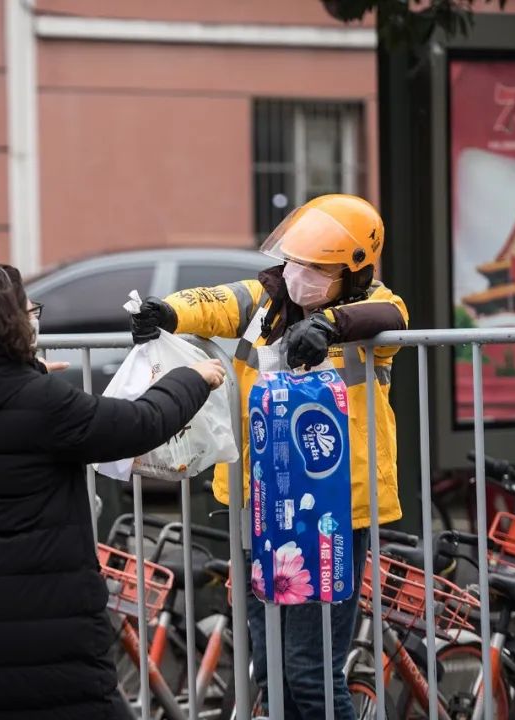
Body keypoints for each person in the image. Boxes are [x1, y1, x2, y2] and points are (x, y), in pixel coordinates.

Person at [0, 263, 227, 720]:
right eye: (28, 309)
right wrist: (191, 379)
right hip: (39, 634)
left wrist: (29, 373)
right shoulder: (38, 402)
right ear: (5, 321)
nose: (33, 318)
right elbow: (138, 424)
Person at [130, 194, 409, 719]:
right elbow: (214, 301)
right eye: (295, 260)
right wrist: (167, 311)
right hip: (259, 508)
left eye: (315, 267)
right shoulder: (265, 301)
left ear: (352, 271)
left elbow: (392, 312)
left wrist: (328, 326)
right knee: (271, 672)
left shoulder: (372, 314)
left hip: (331, 513)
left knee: (310, 673)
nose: (298, 273)